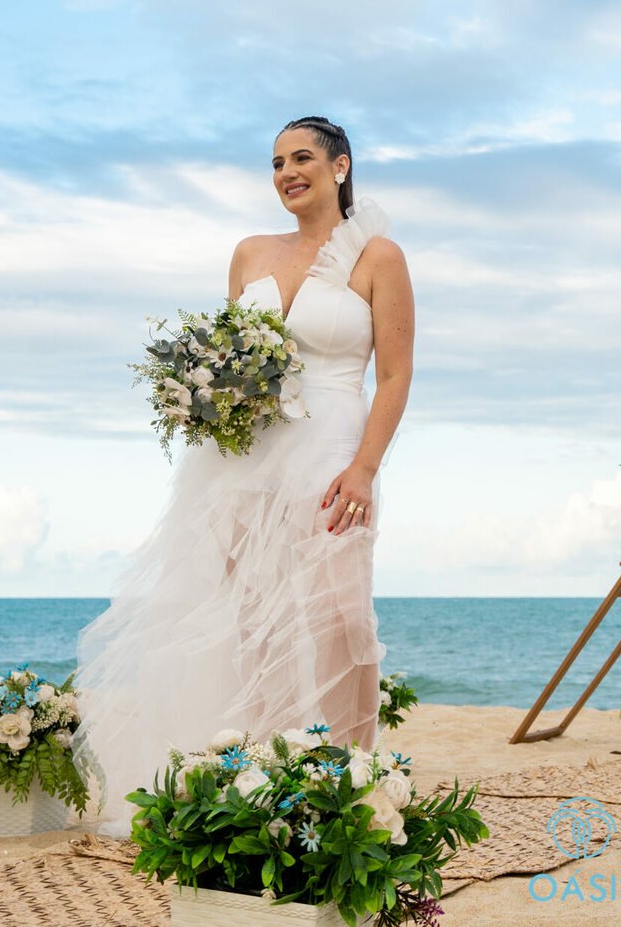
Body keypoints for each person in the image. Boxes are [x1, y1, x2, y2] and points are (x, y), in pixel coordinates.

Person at [72, 115, 415, 836]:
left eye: (303, 159)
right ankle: (269, 783)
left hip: (334, 448)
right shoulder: (250, 253)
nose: (288, 172)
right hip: (245, 456)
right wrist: (199, 396)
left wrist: (364, 468)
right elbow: (230, 357)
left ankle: (354, 781)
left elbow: (395, 374)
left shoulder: (378, 256)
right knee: (255, 623)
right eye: (276, 162)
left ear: (341, 166)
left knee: (342, 615)